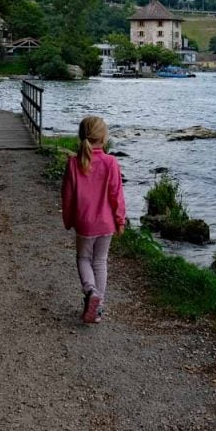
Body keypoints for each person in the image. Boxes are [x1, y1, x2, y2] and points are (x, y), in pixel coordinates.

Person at [61, 116, 126, 323]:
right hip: (106, 223)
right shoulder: (111, 162)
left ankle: (90, 291)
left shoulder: (73, 163)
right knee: (100, 262)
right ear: (104, 137)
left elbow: (68, 196)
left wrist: (69, 219)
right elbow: (117, 195)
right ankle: (98, 309)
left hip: (84, 222)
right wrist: (120, 220)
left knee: (83, 259)